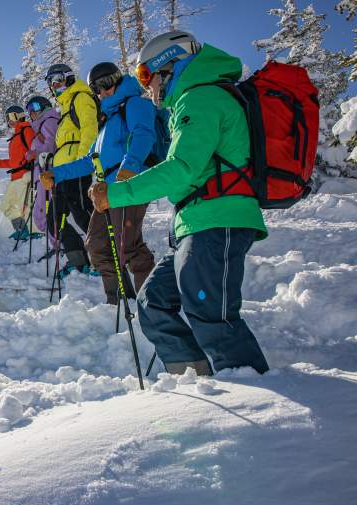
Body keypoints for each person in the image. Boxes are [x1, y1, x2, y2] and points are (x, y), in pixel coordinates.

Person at [89, 31, 270, 376]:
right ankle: (193, 382)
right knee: (152, 303)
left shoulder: (201, 98)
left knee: (211, 317)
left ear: (169, 65)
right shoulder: (190, 101)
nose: (147, 86)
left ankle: (257, 404)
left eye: (146, 75)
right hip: (196, 221)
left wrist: (115, 192)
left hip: (219, 218)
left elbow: (181, 169)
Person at [42, 62, 163, 304]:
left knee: (127, 246)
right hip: (107, 190)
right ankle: (119, 300)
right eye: (96, 88)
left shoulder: (135, 104)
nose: (102, 91)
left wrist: (129, 168)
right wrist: (58, 173)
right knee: (97, 245)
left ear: (118, 79)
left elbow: (143, 134)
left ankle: (154, 304)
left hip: (130, 182)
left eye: (106, 83)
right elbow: (89, 161)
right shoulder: (106, 121)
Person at [42, 63, 99, 276]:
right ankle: (78, 259)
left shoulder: (81, 98)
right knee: (54, 220)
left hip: (76, 169)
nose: (54, 85)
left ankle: (105, 259)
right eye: (50, 82)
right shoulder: (65, 109)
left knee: (84, 214)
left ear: (69, 77)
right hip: (61, 173)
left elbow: (90, 132)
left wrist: (82, 163)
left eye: (57, 78)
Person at [0, 106, 36, 240]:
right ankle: (22, 230)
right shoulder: (16, 136)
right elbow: (13, 162)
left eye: (11, 117)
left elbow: (35, 151)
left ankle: (35, 234)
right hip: (15, 177)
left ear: (19, 115)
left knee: (26, 207)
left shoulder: (27, 130)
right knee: (6, 205)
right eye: (7, 118)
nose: (9, 121)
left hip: (25, 175)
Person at [24, 96, 60, 241]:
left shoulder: (49, 121)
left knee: (44, 214)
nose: (32, 112)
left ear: (44, 106)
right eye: (29, 110)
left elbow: (51, 147)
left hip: (48, 172)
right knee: (42, 214)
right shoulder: (41, 125)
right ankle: (55, 243)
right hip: (42, 174)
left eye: (35, 107)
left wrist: (35, 153)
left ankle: (59, 244)